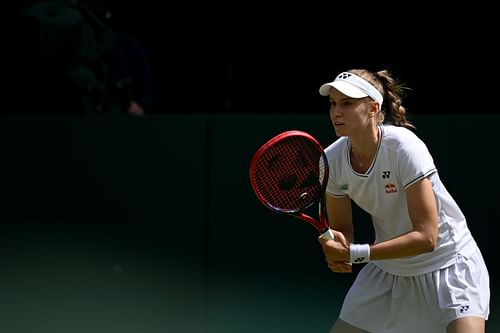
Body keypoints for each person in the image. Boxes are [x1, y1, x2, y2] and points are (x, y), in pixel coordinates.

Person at [316, 69, 490, 333]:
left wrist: (357, 254)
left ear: (374, 108)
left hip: (450, 267)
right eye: (333, 104)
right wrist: (339, 249)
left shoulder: (404, 148)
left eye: (347, 104)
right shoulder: (331, 161)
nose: (336, 112)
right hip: (388, 275)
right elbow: (344, 230)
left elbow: (427, 237)